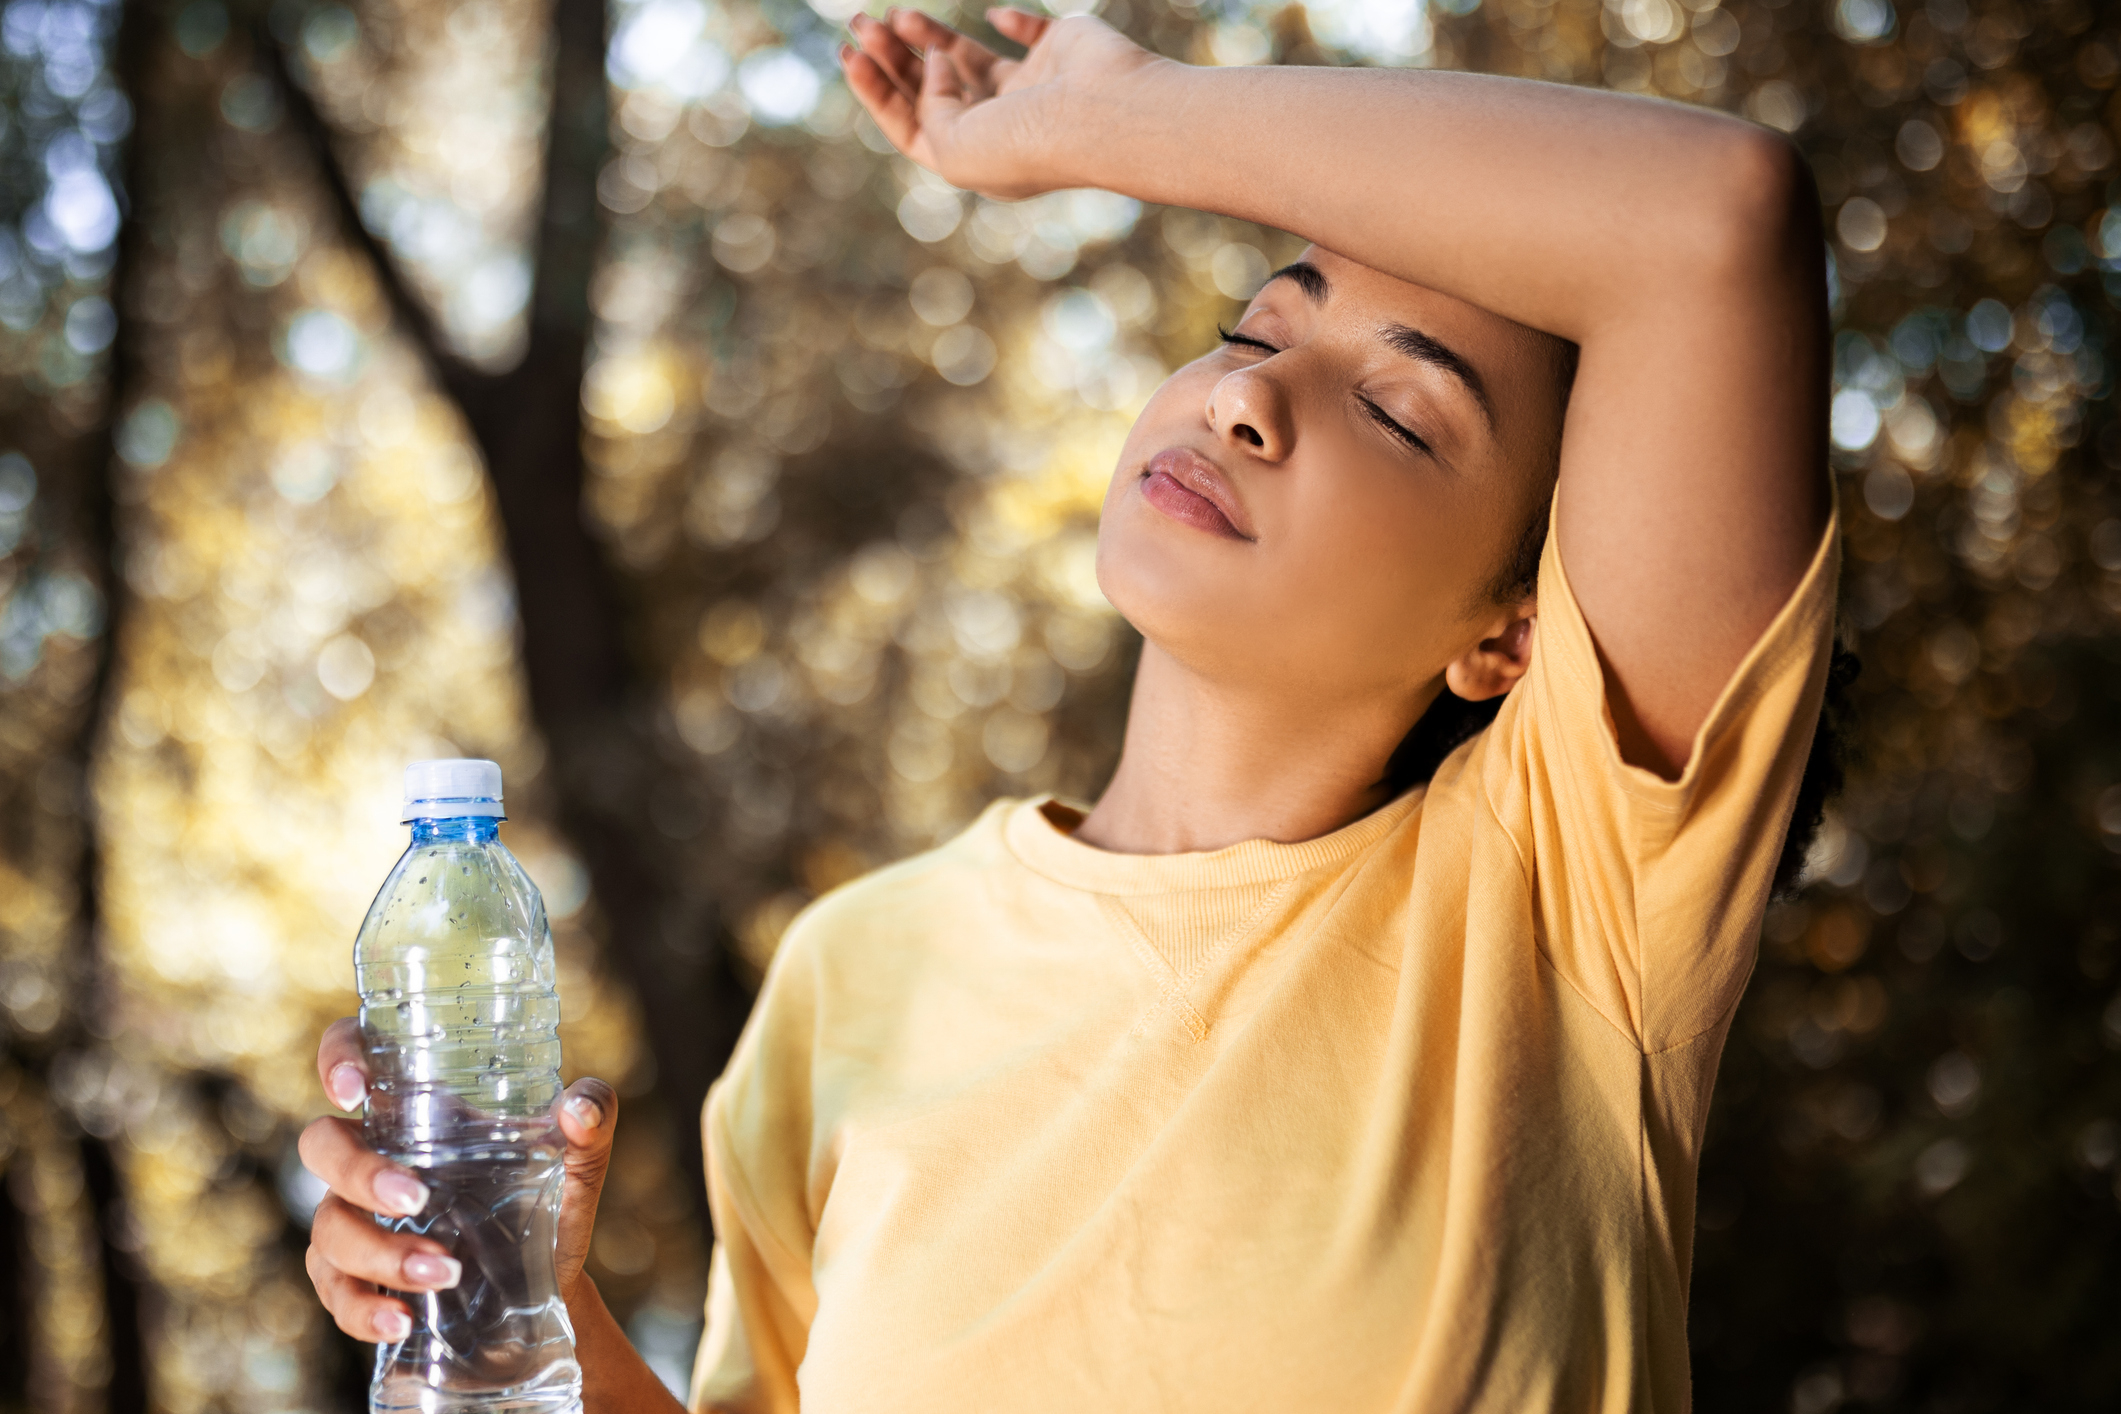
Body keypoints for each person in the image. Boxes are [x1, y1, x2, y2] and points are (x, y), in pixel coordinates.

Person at [300, 6, 1843, 1409]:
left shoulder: (1561, 900)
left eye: (1394, 407)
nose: (1245, 397)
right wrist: (524, 1294)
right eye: (1255, 326)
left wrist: (1114, 117)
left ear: (1510, 632)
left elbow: (1714, 219)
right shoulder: (851, 973)